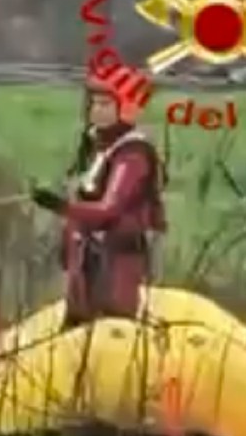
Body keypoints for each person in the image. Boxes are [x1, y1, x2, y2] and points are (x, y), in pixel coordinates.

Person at [30, 79, 166, 325]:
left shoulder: (132, 153)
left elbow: (109, 211)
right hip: (86, 261)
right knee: (77, 332)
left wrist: (60, 206)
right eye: (94, 104)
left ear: (123, 108)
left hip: (116, 262)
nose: (97, 110)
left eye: (105, 104)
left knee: (112, 331)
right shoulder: (98, 146)